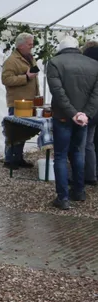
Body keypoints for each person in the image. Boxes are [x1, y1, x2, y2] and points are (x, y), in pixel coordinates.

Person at [45, 36, 98, 210]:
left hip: (63, 116)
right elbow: (96, 95)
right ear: (77, 47)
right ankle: (79, 191)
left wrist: (72, 113)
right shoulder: (94, 64)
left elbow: (57, 92)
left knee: (60, 156)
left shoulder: (55, 62)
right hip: (83, 118)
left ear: (61, 48)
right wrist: (85, 114)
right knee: (77, 152)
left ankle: (63, 198)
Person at [0, 32, 40, 169]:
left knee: (23, 131)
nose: (32, 46)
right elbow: (6, 79)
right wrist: (26, 77)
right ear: (21, 45)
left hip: (29, 102)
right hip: (18, 103)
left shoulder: (29, 57)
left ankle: (18, 158)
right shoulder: (11, 61)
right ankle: (9, 160)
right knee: (14, 132)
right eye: (29, 44)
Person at [82, 40, 98, 186]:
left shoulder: (86, 66)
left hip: (88, 110)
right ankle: (92, 174)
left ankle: (85, 175)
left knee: (84, 143)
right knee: (90, 143)